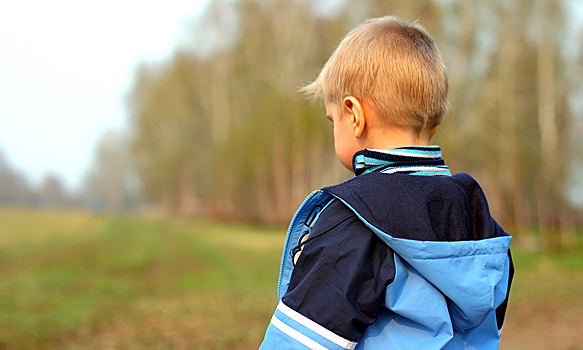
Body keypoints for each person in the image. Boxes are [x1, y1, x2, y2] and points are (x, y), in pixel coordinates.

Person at [258, 15, 514, 350]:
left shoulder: (358, 220)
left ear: (354, 116)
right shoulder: (478, 219)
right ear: (432, 128)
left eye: (332, 120)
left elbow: (300, 342)